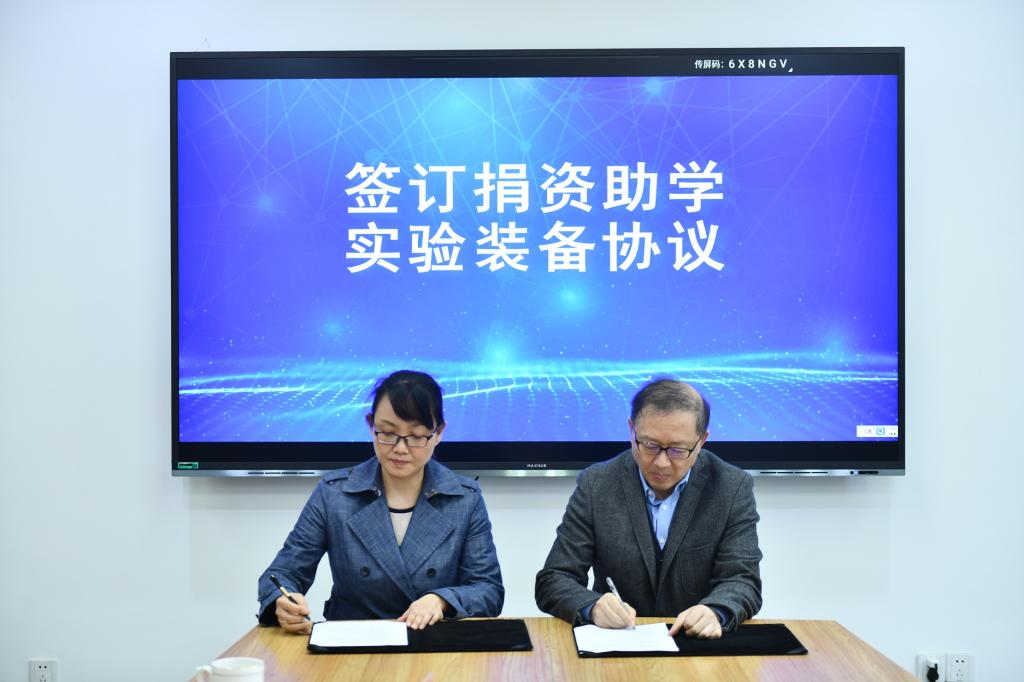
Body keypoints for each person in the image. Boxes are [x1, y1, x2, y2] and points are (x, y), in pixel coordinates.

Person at [257, 370, 504, 633]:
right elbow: (282, 574)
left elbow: (488, 590)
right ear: (370, 424)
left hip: (433, 640)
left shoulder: (465, 498)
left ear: (438, 433)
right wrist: (284, 600)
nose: (400, 448)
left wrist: (441, 600)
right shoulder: (334, 493)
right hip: (353, 640)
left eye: (416, 436)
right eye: (387, 432)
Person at [535, 378, 762, 639]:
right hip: (618, 643)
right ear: (631, 430)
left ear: (701, 441)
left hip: (696, 646)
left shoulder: (731, 487)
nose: (662, 463)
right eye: (650, 446)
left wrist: (715, 611)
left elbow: (743, 581)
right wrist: (592, 607)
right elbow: (554, 579)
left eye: (677, 450)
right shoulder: (596, 484)